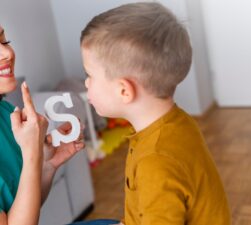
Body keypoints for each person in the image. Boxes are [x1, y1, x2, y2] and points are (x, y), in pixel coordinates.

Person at [78, 2, 231, 225]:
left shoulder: (156, 162)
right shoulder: (175, 121)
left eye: (89, 74)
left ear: (124, 90)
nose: (86, 82)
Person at [0, 25, 85, 225]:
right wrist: (32, 153)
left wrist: (47, 165)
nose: (7, 53)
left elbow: (25, 211)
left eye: (5, 41)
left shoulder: (6, 113)